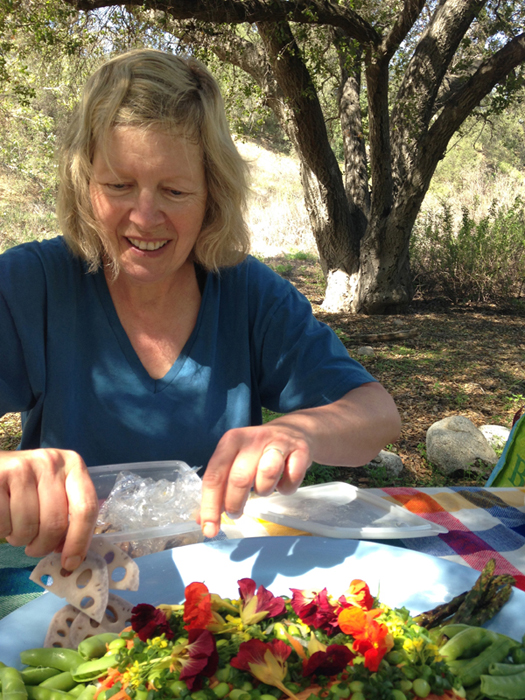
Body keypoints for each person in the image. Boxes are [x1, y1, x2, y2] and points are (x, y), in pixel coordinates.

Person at [0, 49, 400, 572]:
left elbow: (377, 417)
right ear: (83, 183)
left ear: (213, 195)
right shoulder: (29, 284)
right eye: (118, 185)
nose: (144, 217)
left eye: (175, 190)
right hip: (62, 585)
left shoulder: (248, 293)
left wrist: (296, 432)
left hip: (218, 587)